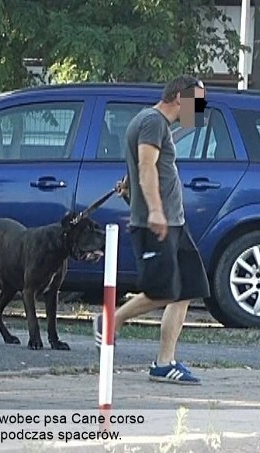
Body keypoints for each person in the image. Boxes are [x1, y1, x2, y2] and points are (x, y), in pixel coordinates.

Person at [94, 75, 210, 385]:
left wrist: (128, 183)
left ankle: (164, 363)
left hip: (175, 222)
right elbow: (146, 165)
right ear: (178, 98)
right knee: (163, 290)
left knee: (188, 288)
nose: (200, 108)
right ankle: (110, 320)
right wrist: (156, 210)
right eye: (197, 101)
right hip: (156, 223)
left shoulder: (153, 123)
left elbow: (143, 165)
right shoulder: (153, 122)